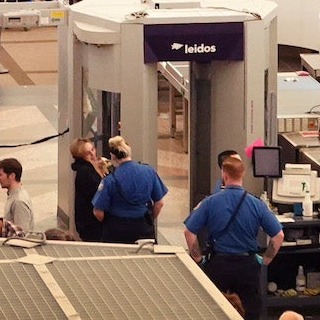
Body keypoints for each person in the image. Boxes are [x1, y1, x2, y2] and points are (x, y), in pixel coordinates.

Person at [183, 153, 285, 320]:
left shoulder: (210, 202)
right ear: (243, 174)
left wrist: (198, 258)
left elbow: (189, 232)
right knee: (249, 311)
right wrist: (265, 259)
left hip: (218, 264)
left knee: (216, 311)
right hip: (247, 266)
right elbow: (278, 235)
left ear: (224, 174)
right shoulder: (256, 203)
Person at [92, 134, 168, 243]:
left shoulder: (110, 180)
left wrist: (110, 223)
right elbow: (159, 203)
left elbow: (98, 211)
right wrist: (150, 219)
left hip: (116, 230)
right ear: (129, 151)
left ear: (112, 156)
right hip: (143, 228)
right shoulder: (148, 171)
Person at [69, 137, 106, 242]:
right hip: (91, 223)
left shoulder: (95, 166)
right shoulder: (85, 172)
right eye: (88, 153)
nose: (93, 154)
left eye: (93, 150)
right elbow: (97, 193)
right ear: (81, 157)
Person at [0, 157, 35, 234]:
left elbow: (21, 234)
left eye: (0, 175)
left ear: (12, 176)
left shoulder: (18, 202)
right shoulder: (15, 196)